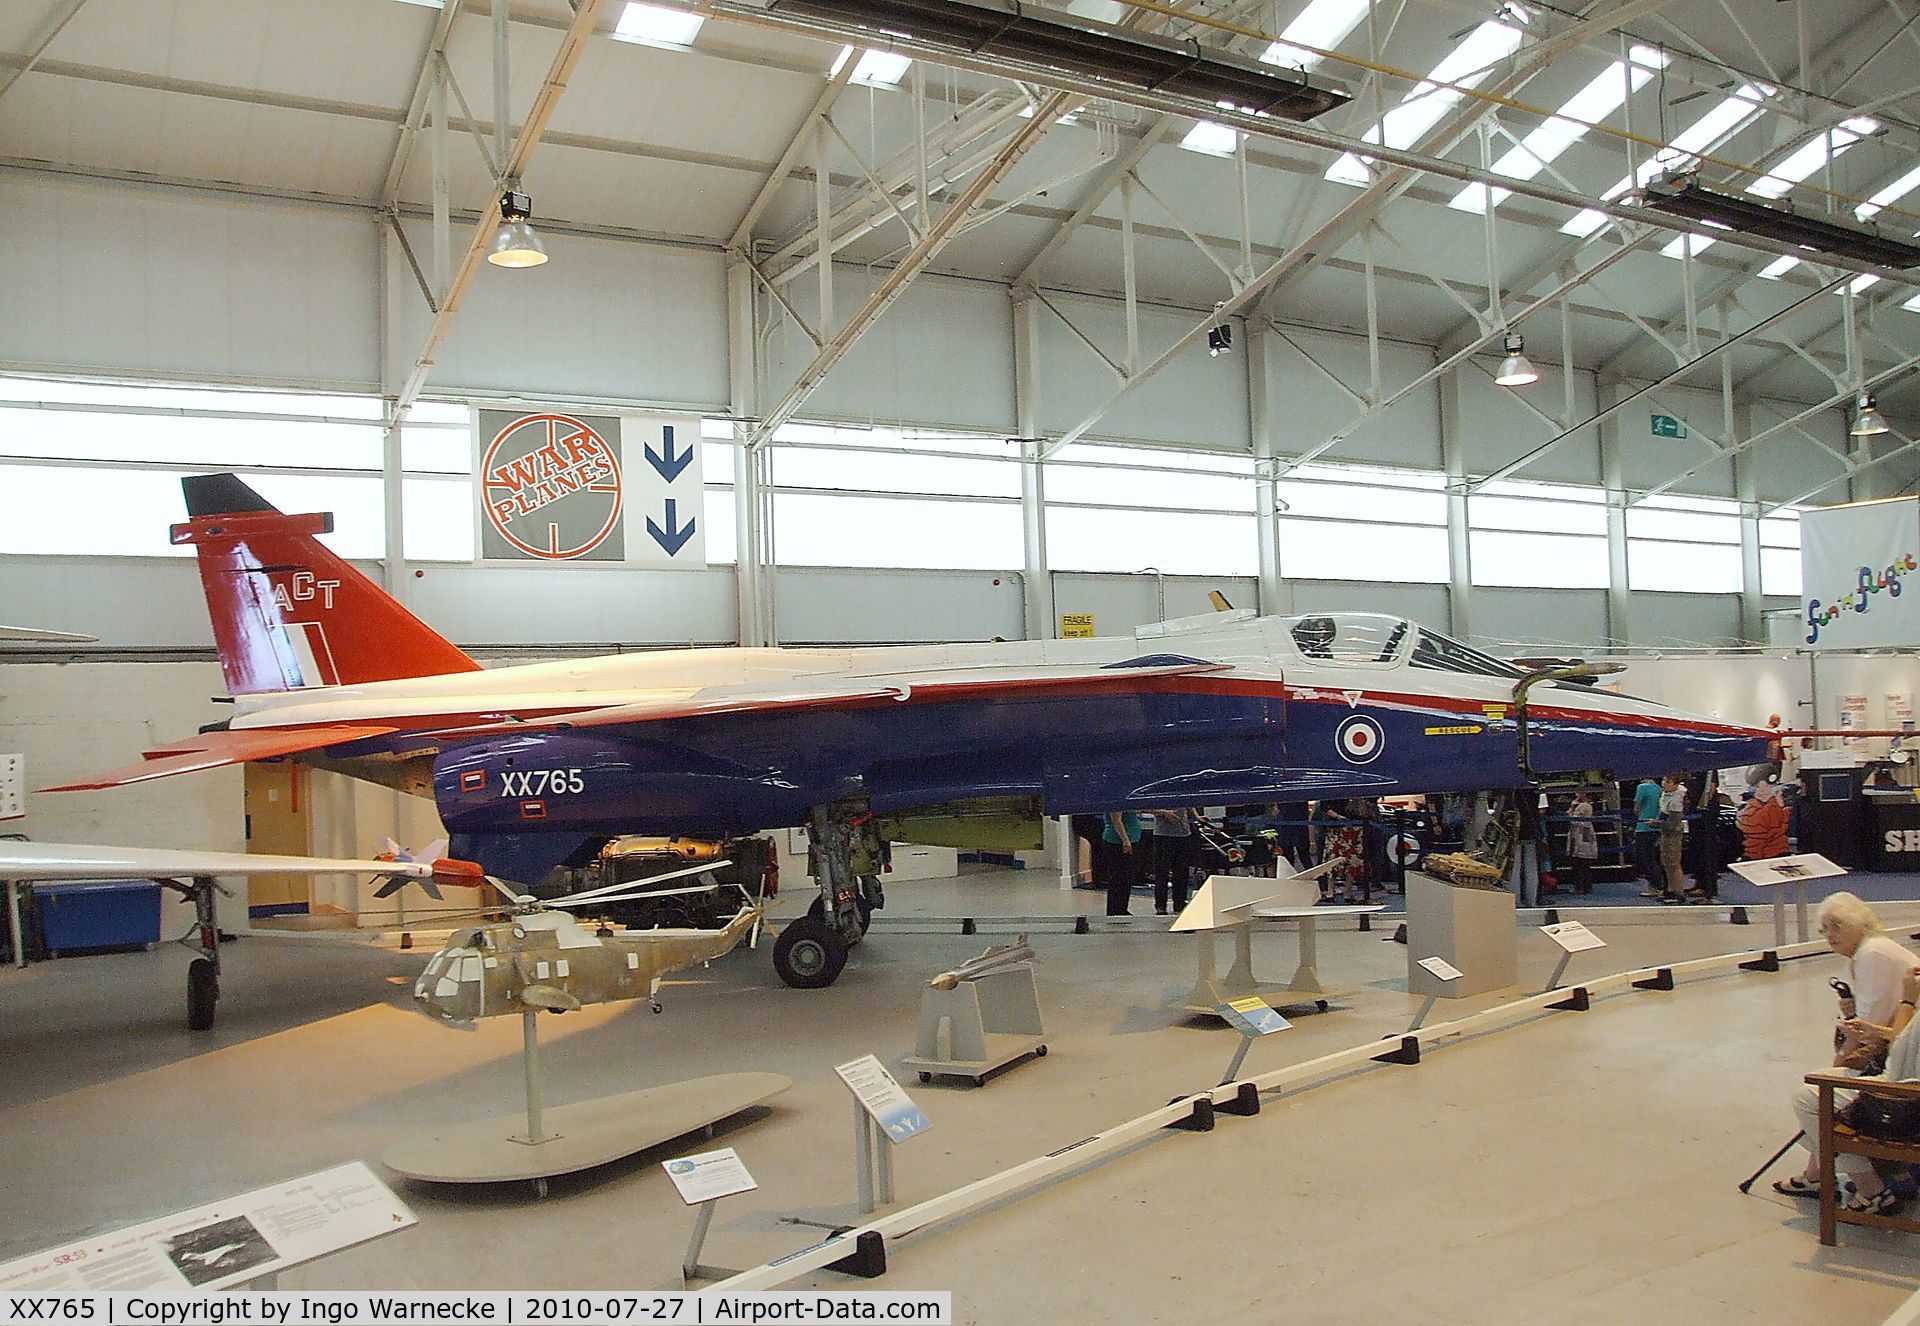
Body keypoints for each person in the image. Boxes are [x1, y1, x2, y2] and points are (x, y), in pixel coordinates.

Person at [1778, 964, 1920, 1213]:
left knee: (1808, 1099)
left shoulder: (1873, 958)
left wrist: (1908, 999)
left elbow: (1901, 1058)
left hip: (1904, 1098)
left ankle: (1871, 1191)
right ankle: (1816, 1176)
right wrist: (1880, 1031)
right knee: (1820, 1086)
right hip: (1905, 1083)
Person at [1147, 808, 1195, 916]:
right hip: (1163, 835)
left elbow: (1188, 804)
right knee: (1161, 872)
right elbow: (1146, 807)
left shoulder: (1182, 791)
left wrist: (1196, 816)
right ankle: (1161, 906)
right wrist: (1164, 813)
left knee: (1182, 873)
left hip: (1183, 834)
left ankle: (1179, 904)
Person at [1102, 810, 1145, 916]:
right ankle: (1114, 910)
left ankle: (1122, 908)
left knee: (1126, 878)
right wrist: (1125, 841)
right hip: (1116, 842)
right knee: (1118, 878)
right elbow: (1116, 820)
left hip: (1130, 840)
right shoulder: (1117, 799)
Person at [1506, 789, 1543, 907]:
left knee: (1513, 868)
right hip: (1531, 829)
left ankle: (1515, 901)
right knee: (1531, 868)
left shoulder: (1512, 790)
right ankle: (1532, 901)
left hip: (1515, 831)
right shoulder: (1534, 790)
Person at [1657, 773, 1689, 903]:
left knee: (1674, 863)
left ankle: (1679, 892)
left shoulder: (1677, 799)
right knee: (1666, 862)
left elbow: (1673, 823)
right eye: (1664, 780)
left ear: (1675, 784)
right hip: (1665, 832)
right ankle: (1670, 890)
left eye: (1668, 781)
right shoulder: (1666, 795)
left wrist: (1656, 823)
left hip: (1673, 834)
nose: (1664, 783)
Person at [1633, 775, 1664, 897]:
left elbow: (1637, 808)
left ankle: (1656, 885)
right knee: (1652, 858)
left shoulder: (1642, 787)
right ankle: (1656, 884)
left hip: (1643, 826)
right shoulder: (1658, 788)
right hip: (1655, 826)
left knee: (1645, 858)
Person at [1564, 790, 1599, 895]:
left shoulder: (1583, 806)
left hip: (1581, 835)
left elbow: (1575, 820)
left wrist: (1570, 812)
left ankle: (1580, 887)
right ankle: (1584, 886)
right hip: (1582, 835)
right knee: (1583, 863)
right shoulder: (1584, 805)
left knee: (1580, 863)